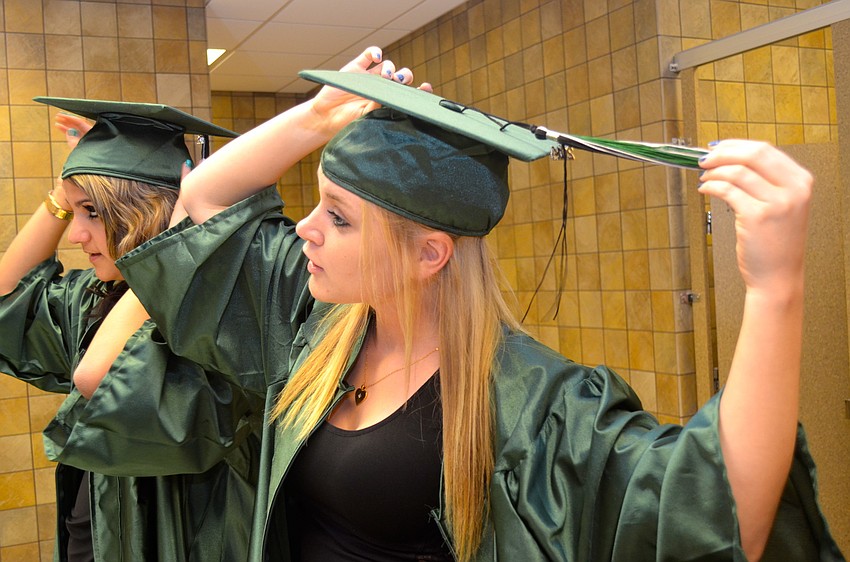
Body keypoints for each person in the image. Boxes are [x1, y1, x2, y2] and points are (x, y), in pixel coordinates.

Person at [103, 47, 842, 560]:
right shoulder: (316, 329)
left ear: (429, 256)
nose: (305, 228)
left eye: (338, 215)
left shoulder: (524, 402)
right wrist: (321, 118)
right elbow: (202, 207)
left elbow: (723, 514)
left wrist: (776, 289)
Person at [0, 98, 262, 561]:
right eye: (75, 213)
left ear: (146, 211)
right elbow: (7, 297)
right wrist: (65, 194)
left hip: (188, 537)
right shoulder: (100, 298)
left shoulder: (224, 306)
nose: (77, 234)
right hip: (97, 532)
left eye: (93, 213)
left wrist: (177, 242)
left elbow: (96, 377)